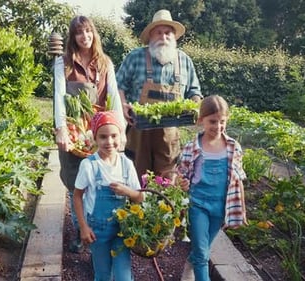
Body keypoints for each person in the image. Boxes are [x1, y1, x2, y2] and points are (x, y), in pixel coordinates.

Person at [53, 15, 126, 253]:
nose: (85, 36)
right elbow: (59, 99)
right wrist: (62, 129)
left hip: (100, 134)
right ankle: (79, 230)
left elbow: (113, 98)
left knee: (100, 180)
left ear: (94, 34)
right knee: (76, 184)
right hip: (75, 134)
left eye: (88, 31)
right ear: (72, 37)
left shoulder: (105, 63)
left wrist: (120, 131)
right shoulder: (63, 63)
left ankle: (100, 228)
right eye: (79, 33)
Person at [116, 9, 202, 180]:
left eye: (168, 32)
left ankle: (164, 205)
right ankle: (136, 205)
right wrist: (123, 105)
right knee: (137, 175)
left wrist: (195, 105)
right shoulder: (136, 57)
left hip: (170, 131)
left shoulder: (184, 61)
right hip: (139, 129)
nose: (163, 37)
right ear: (151, 36)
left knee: (168, 176)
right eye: (159, 32)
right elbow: (119, 85)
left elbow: (194, 91)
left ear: (174, 36)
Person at [176, 95, 247, 281]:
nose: (218, 126)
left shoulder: (233, 147)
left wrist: (242, 211)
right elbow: (180, 173)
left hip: (220, 206)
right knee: (201, 251)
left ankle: (189, 267)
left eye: (222, 121)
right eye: (212, 121)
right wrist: (181, 181)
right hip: (197, 204)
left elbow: (238, 179)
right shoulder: (192, 147)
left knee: (204, 248)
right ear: (201, 120)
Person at [73, 111, 143, 281]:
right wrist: (83, 227)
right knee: (103, 274)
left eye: (114, 135)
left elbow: (140, 197)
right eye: (103, 137)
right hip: (98, 230)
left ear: (121, 136)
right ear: (95, 139)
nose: (109, 141)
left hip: (123, 229)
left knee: (123, 277)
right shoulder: (89, 165)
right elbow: (77, 196)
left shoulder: (126, 164)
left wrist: (126, 191)